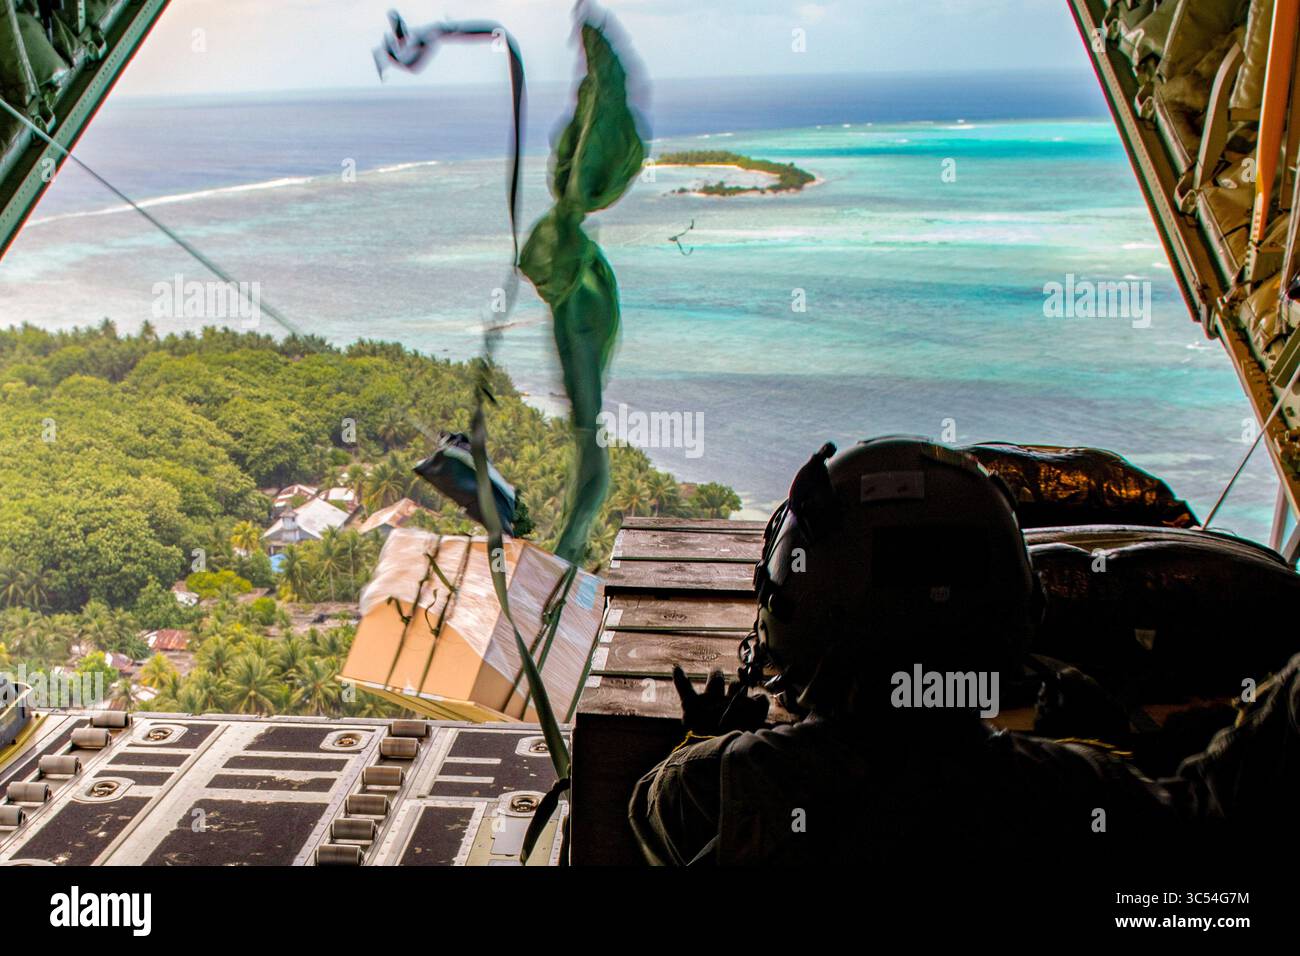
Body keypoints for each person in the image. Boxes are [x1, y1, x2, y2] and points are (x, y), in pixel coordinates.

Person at [627, 437, 1300, 867]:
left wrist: (703, 738)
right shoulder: (1068, 793)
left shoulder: (729, 785)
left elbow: (653, 810)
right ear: (1015, 616)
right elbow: (1208, 813)